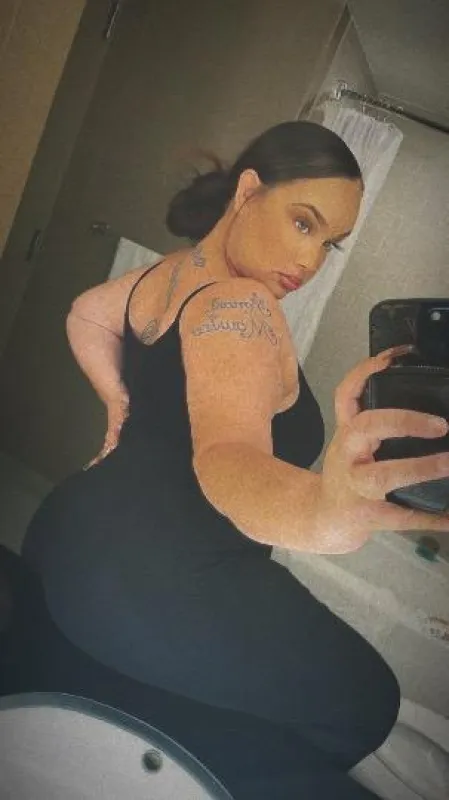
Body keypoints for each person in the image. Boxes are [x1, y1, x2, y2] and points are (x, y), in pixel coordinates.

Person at [8, 121, 449, 799]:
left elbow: (85, 313)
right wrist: (320, 512)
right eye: (302, 222)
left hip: (66, 531)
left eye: (328, 243)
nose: (309, 260)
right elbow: (225, 456)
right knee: (368, 702)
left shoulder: (166, 274)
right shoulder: (241, 305)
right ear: (247, 193)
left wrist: (118, 404)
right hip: (152, 578)